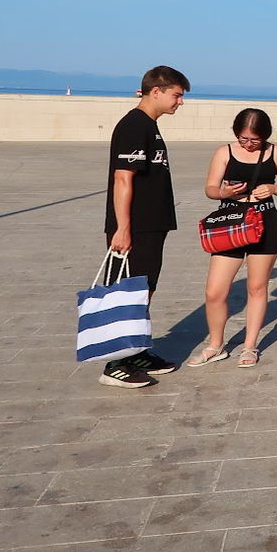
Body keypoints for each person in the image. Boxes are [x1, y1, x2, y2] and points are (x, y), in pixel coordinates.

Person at [100, 65, 190, 389]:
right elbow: (123, 178)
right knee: (127, 293)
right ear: (157, 91)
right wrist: (122, 228)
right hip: (135, 228)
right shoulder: (134, 126)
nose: (180, 102)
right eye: (177, 95)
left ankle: (136, 350)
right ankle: (116, 363)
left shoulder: (148, 126)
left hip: (151, 227)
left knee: (144, 289)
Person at [188, 109, 277, 369]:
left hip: (264, 222)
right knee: (215, 291)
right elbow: (210, 189)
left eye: (254, 140)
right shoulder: (224, 152)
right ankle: (216, 345)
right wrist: (224, 192)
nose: (247, 145)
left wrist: (274, 189)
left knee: (257, 287)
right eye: (243, 139)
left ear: (265, 136)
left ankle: (250, 345)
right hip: (230, 223)